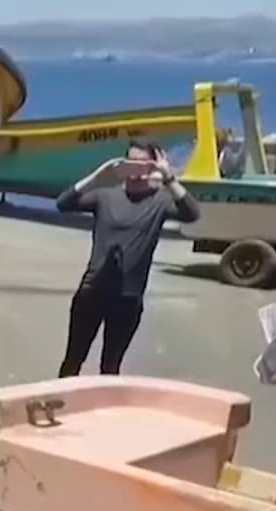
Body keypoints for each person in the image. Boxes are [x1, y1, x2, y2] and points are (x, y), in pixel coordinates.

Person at [54, 139, 202, 378]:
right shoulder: (105, 197)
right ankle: (60, 400)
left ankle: (104, 403)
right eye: (131, 162)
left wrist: (169, 178)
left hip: (128, 298)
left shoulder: (160, 201)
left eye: (143, 163)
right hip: (92, 291)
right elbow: (63, 203)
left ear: (153, 166)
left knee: (110, 367)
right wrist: (99, 174)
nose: (136, 168)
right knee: (73, 361)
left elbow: (192, 213)